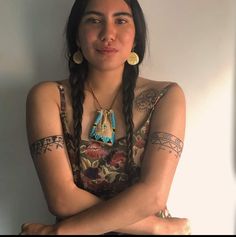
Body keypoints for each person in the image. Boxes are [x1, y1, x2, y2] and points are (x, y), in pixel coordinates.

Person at [20, 0, 191, 235]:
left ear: (136, 37)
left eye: (120, 20)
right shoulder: (47, 97)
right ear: (77, 36)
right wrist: (156, 226)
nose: (108, 33)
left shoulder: (165, 96)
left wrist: (61, 232)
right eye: (94, 20)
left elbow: (153, 196)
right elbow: (61, 198)